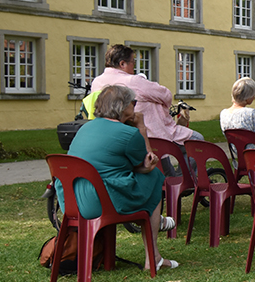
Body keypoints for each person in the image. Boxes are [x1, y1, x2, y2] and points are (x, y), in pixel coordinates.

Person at [54, 85, 177, 271]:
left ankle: (155, 221)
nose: (135, 106)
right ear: (123, 106)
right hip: (102, 203)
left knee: (139, 177)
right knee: (155, 176)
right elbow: (147, 162)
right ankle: (153, 255)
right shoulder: (129, 134)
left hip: (73, 202)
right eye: (133, 102)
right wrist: (142, 128)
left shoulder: (84, 129)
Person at [91, 45, 202, 177]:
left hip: (112, 136)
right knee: (197, 141)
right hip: (152, 134)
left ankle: (177, 180)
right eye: (133, 62)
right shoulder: (133, 81)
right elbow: (166, 95)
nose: (134, 67)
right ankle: (183, 179)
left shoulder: (97, 82)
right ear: (122, 64)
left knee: (162, 171)